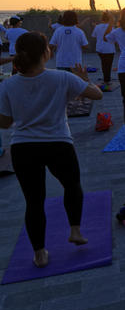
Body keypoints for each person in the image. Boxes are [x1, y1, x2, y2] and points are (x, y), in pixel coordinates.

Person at [0, 32, 103, 268]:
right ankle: (75, 231)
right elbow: (96, 94)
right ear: (46, 53)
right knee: (72, 185)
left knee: (34, 201)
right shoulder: (63, 78)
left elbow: (5, 123)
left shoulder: (8, 85)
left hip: (23, 148)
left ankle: (39, 253)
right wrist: (85, 79)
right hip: (58, 144)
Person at [92, 12, 116, 85]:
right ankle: (107, 80)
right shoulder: (111, 27)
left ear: (101, 18)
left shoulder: (97, 27)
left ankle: (106, 78)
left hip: (100, 48)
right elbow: (114, 37)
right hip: (109, 49)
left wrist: (96, 27)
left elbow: (94, 36)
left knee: (103, 64)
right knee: (108, 65)